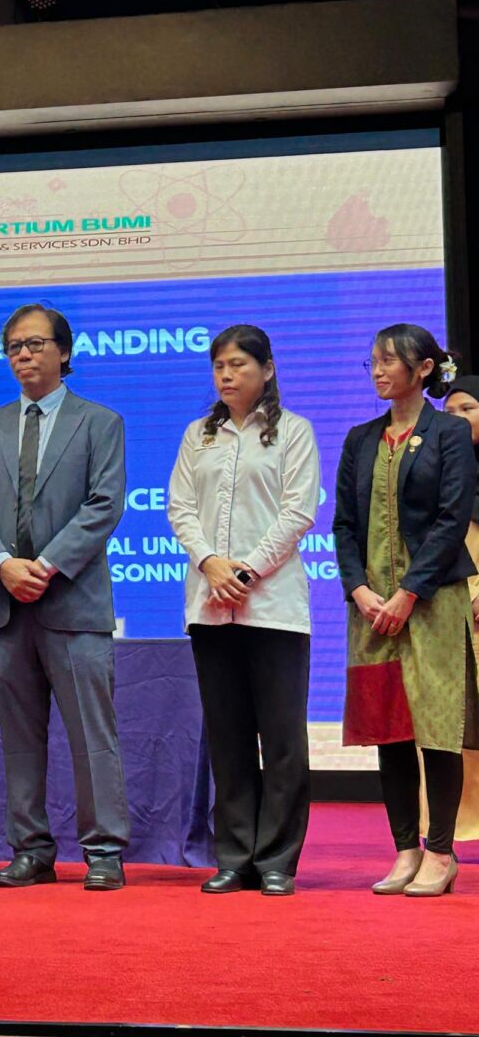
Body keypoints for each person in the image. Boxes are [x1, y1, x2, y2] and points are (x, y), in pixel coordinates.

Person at [0, 302, 130, 891]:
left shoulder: (99, 422)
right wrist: (3, 565)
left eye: (35, 344)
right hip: (6, 606)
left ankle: (103, 851)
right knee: (19, 740)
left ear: (64, 351)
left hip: (74, 605)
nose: (24, 356)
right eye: (14, 347)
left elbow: (104, 504)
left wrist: (47, 566)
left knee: (92, 737)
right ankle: (30, 849)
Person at [166, 326, 319, 896]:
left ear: (268, 369)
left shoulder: (294, 431)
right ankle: (234, 856)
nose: (226, 375)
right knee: (227, 737)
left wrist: (246, 572)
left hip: (273, 608)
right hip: (211, 606)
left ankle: (276, 859)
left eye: (238, 364)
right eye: (219, 366)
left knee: (281, 740)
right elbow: (180, 508)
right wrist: (211, 564)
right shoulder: (197, 434)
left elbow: (298, 512)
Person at [335, 324, 476, 898]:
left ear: (423, 369)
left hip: (433, 601)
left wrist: (409, 591)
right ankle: (404, 850)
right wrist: (358, 589)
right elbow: (344, 524)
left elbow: (452, 518)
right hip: (371, 609)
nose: (378, 370)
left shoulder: (449, 433)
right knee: (389, 730)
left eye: (389, 361)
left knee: (438, 730)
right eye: (372, 361)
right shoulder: (360, 438)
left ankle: (441, 852)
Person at [439, 375, 479, 842]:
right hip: (451, 598)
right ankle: (455, 831)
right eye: (449, 413)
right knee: (457, 717)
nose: (457, 419)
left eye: (467, 409)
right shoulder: (440, 472)